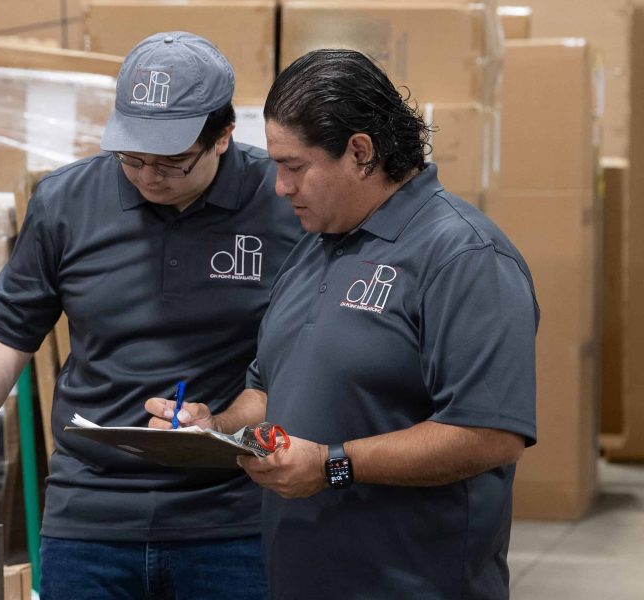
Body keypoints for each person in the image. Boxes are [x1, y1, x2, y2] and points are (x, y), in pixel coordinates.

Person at [0, 31, 302, 599]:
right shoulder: (66, 203)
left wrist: (231, 422)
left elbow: (313, 350)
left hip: (233, 521)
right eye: (132, 158)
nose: (148, 176)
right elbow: (6, 335)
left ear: (224, 137)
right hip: (89, 520)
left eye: (172, 162)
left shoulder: (285, 203)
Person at [146, 49, 539, 599]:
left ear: (360, 153)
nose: (280, 187)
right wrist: (215, 429)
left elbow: (491, 434)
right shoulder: (315, 246)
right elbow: (269, 389)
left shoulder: (464, 257)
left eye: (294, 167)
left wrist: (334, 466)